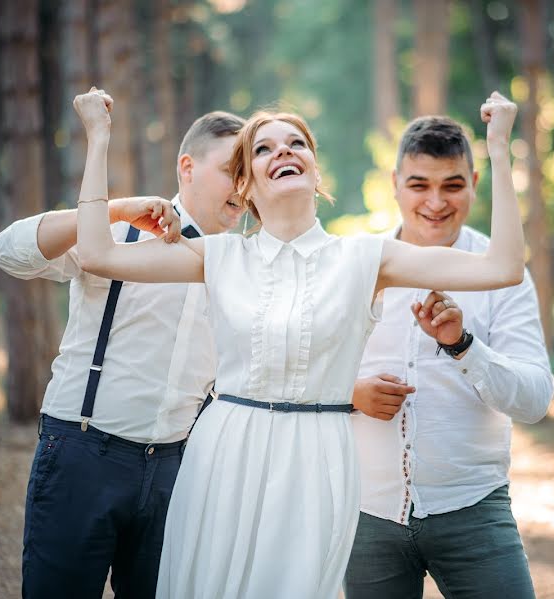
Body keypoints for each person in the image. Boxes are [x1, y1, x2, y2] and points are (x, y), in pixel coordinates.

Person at [72, 86, 524, 599]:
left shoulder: (367, 258)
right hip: (225, 451)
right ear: (244, 184)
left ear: (315, 172)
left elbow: (504, 267)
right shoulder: (216, 256)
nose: (283, 151)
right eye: (263, 148)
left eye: (296, 143)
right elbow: (96, 254)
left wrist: (501, 148)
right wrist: (98, 137)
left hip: (318, 458)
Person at [0, 110, 246, 599]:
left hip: (178, 468)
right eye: (230, 170)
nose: (242, 186)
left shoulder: (245, 267)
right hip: (84, 454)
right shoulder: (118, 238)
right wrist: (114, 210)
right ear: (187, 168)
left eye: (247, 175)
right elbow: (8, 252)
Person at [345, 116, 554, 599]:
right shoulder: (356, 266)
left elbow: (535, 400)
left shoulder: (504, 273)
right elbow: (299, 376)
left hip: (475, 511)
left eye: (452, 186)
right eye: (419, 185)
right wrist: (348, 392)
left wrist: (464, 345)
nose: (436, 203)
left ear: (474, 185)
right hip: (367, 516)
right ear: (394, 184)